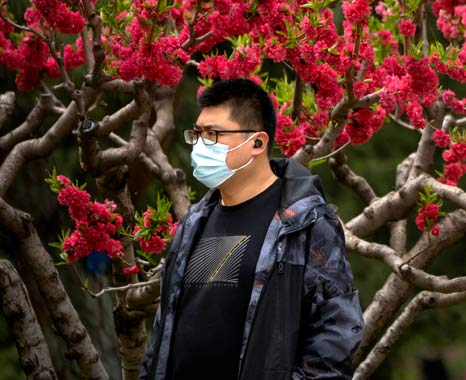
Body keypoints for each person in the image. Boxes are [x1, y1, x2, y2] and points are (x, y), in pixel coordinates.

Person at [140, 78, 363, 380]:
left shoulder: (305, 223)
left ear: (257, 143)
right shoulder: (194, 223)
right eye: (197, 133)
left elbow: (335, 331)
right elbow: (164, 329)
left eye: (213, 134)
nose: (200, 144)